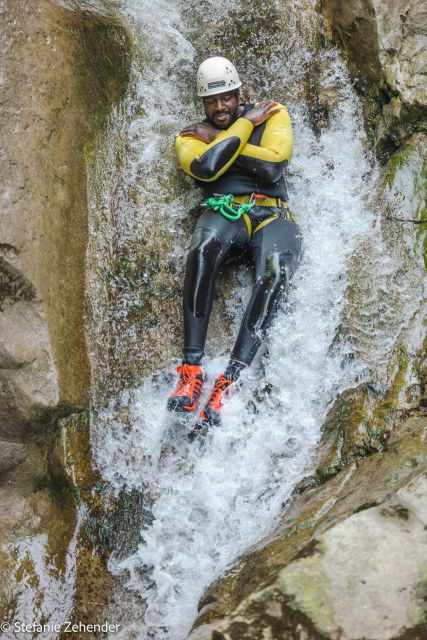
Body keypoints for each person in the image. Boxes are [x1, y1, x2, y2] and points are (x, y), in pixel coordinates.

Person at [167, 56, 302, 429]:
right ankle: (191, 372)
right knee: (202, 246)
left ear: (239, 92)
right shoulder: (188, 135)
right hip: (224, 214)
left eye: (227, 98)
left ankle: (231, 379)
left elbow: (274, 167)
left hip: (273, 215)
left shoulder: (273, 113)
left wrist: (223, 141)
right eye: (212, 101)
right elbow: (207, 168)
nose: (221, 106)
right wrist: (243, 126)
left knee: (276, 274)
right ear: (202, 103)